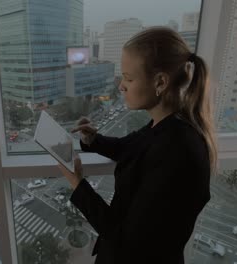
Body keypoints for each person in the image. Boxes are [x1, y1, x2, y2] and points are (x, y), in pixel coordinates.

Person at [57, 27, 217, 263]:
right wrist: (93, 139)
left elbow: (126, 237)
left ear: (160, 82)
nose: (121, 86)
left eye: (129, 78)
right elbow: (129, 147)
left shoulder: (178, 150)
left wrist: (77, 183)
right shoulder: (165, 126)